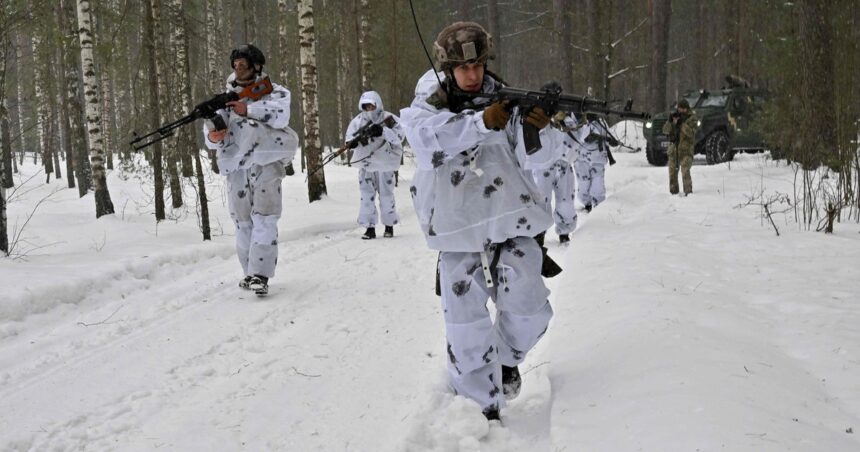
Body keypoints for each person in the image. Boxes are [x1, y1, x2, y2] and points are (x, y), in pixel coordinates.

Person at [400, 21, 554, 421]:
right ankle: (477, 411)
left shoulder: (505, 100)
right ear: (447, 69)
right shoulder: (428, 105)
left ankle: (505, 360)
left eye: (479, 66)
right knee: (466, 327)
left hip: (510, 219)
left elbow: (539, 158)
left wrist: (537, 126)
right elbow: (426, 140)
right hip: (456, 228)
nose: (473, 75)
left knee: (529, 308)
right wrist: (481, 122)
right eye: (464, 68)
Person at [202, 44, 298, 296]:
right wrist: (214, 135)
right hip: (236, 165)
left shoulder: (275, 92)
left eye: (243, 63)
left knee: (265, 217)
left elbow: (281, 116)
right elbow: (210, 138)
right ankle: (249, 271)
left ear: (256, 65)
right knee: (242, 221)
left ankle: (260, 274)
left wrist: (249, 109)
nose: (238, 68)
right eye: (235, 65)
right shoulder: (224, 99)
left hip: (267, 159)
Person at [344, 91, 405, 239]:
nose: (369, 109)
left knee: (386, 195)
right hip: (366, 164)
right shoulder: (357, 121)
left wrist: (383, 131)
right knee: (366, 196)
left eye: (371, 105)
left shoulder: (389, 119)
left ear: (377, 104)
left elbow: (400, 137)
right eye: (366, 106)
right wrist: (353, 143)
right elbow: (349, 139)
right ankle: (369, 228)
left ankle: (389, 227)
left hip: (386, 164)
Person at [526, 111, 578, 243]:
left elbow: (579, 139)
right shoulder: (539, 116)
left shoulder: (572, 120)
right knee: (541, 200)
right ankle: (539, 233)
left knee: (565, 200)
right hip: (543, 165)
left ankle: (564, 233)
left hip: (563, 165)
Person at [572, 113, 618, 212]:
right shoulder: (580, 121)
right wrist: (600, 137)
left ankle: (599, 207)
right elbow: (583, 137)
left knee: (598, 185)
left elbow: (608, 136)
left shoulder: (602, 123)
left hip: (598, 159)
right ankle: (586, 203)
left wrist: (612, 141)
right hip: (582, 160)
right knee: (584, 185)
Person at [662, 98, 698, 196]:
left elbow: (691, 133)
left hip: (686, 150)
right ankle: (673, 193)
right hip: (674, 150)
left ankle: (688, 193)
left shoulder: (692, 118)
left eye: (683, 108)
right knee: (672, 173)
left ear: (687, 109)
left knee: (685, 171)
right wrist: (670, 122)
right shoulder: (675, 116)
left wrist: (681, 124)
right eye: (679, 108)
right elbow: (665, 131)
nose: (681, 110)